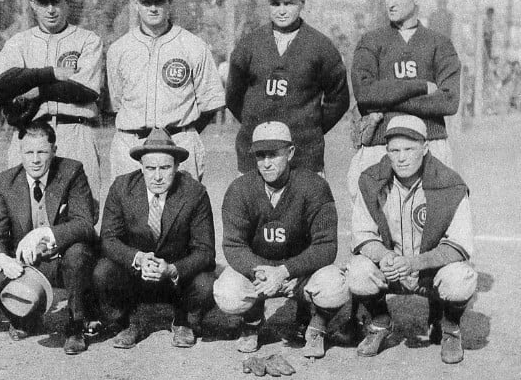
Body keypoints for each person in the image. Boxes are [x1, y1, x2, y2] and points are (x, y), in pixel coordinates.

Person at [346, 115, 476, 364]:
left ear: (425, 148)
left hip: (429, 272)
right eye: (395, 150)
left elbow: (459, 246)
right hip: (391, 269)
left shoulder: (449, 183)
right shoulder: (371, 181)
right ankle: (380, 321)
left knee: (461, 278)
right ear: (387, 151)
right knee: (357, 272)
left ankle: (449, 328)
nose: (401, 157)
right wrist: (384, 256)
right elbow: (363, 236)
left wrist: (415, 263)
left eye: (409, 149)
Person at [213, 121, 350, 358]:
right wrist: (260, 272)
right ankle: (252, 320)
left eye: (274, 154)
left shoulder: (314, 186)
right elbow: (234, 246)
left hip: (298, 272)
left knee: (335, 286)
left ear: (290, 153)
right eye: (260, 155)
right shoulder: (240, 189)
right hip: (260, 273)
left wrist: (286, 271)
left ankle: (316, 324)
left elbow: (326, 245)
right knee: (227, 292)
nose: (266, 163)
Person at [0, 121, 98, 354]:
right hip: (27, 264)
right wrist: (3, 260)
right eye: (28, 152)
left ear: (54, 150)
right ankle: (24, 316)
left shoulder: (72, 171)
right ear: (19, 152)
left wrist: (44, 233)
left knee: (79, 253)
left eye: (42, 152)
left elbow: (85, 224)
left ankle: (75, 325)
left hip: (63, 260)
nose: (35, 159)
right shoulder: (5, 182)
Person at [93, 129, 216, 349]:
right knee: (103, 271)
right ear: (141, 167)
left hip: (176, 278)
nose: (157, 176)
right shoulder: (122, 188)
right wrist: (137, 258)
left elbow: (205, 251)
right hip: (135, 275)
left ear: (177, 167)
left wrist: (172, 269)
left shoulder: (195, 193)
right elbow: (108, 239)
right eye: (150, 168)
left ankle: (184, 322)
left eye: (165, 168)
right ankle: (127, 323)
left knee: (206, 283)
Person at [347, 0, 461, 199]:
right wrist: (420, 86)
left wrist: (387, 99)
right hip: (380, 144)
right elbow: (366, 94)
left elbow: (449, 101)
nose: (390, 3)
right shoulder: (371, 41)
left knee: (430, 223)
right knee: (372, 222)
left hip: (430, 142)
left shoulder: (440, 44)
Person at [0, 0, 105, 199]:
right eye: (44, 2)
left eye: (56, 1)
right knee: (23, 212)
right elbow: (3, 82)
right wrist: (51, 73)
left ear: (68, 1)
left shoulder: (88, 39)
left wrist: (38, 90)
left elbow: (85, 90)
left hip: (75, 130)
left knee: (82, 210)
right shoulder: (19, 42)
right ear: (33, 4)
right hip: (30, 132)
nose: (51, 9)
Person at [226, 0, 349, 175]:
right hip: (256, 151)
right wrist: (254, 122)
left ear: (302, 3)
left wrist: (310, 128)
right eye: (276, 4)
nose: (282, 10)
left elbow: (338, 98)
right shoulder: (250, 44)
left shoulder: (321, 46)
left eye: (289, 3)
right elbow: (233, 95)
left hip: (303, 154)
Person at [106, 0, 225, 181]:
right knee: (130, 211)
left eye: (159, 1)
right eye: (146, 2)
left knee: (182, 211)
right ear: (135, 3)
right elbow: (117, 102)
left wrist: (184, 132)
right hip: (131, 141)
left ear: (169, 2)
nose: (153, 8)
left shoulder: (193, 45)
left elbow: (210, 102)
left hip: (178, 141)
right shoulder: (119, 49)